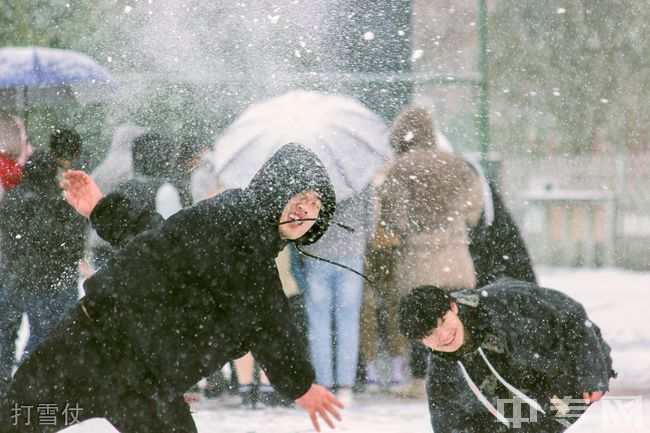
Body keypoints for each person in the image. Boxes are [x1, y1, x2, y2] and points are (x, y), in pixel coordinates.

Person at [0, 143, 343, 433]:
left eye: (316, 204)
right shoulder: (240, 226)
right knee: (17, 420)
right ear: (277, 188)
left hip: (144, 380)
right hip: (99, 347)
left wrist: (101, 208)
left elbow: (160, 238)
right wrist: (300, 384)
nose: (306, 208)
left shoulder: (241, 230)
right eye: (301, 195)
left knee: (18, 420)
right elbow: (267, 320)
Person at [364, 106, 484, 397]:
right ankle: (463, 380)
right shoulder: (457, 165)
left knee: (423, 322)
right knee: (457, 321)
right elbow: (473, 211)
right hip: (456, 260)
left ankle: (421, 381)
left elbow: (396, 219)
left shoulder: (402, 170)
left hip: (419, 262)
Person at [397, 280, 615, 433]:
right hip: (525, 409)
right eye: (430, 334)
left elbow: (572, 316)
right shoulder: (441, 372)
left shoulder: (503, 300)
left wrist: (592, 373)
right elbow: (448, 424)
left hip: (574, 375)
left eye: (443, 322)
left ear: (452, 306)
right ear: (419, 341)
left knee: (554, 415)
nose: (443, 336)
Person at [0, 129, 87, 395]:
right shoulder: (52, 201)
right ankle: (27, 386)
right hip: (46, 279)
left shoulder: (14, 197)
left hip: (13, 276)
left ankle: (6, 387)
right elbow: (61, 240)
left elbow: (11, 237)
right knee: (45, 336)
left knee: (7, 336)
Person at [296, 184, 374, 406]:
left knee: (318, 321)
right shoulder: (359, 175)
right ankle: (346, 386)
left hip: (317, 253)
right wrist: (359, 240)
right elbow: (370, 218)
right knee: (348, 321)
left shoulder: (311, 178)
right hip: (352, 252)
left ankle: (324, 383)